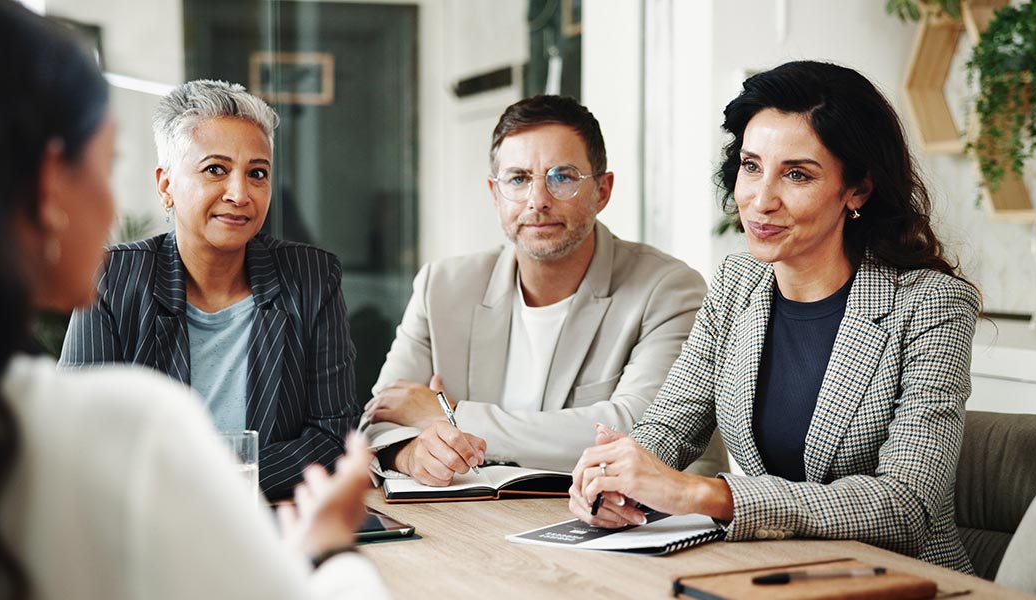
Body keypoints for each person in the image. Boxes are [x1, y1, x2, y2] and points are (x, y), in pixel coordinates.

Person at [0, 1, 385, 598]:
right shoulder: (127, 434)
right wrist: (332, 550)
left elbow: (330, 429)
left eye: (257, 173)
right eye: (107, 165)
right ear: (50, 185)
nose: (109, 207)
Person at [567, 60, 980, 574]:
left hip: (902, 582)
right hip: (771, 571)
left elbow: (903, 505)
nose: (761, 200)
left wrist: (706, 494)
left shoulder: (931, 304)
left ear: (858, 190)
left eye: (797, 174)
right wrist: (614, 476)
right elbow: (670, 428)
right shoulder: (738, 284)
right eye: (751, 165)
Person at [363, 95, 727, 486]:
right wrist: (410, 451)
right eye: (518, 179)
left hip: (633, 523)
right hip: (476, 521)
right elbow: (382, 416)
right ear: (495, 193)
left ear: (602, 191)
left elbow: (640, 432)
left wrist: (450, 416)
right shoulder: (443, 286)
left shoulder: (669, 289)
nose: (538, 201)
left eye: (563, 177)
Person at [59, 80, 359, 500]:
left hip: (270, 523)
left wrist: (214, 483)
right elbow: (80, 435)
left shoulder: (311, 277)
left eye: (257, 173)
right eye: (215, 169)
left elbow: (333, 437)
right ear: (165, 185)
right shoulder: (113, 279)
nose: (239, 194)